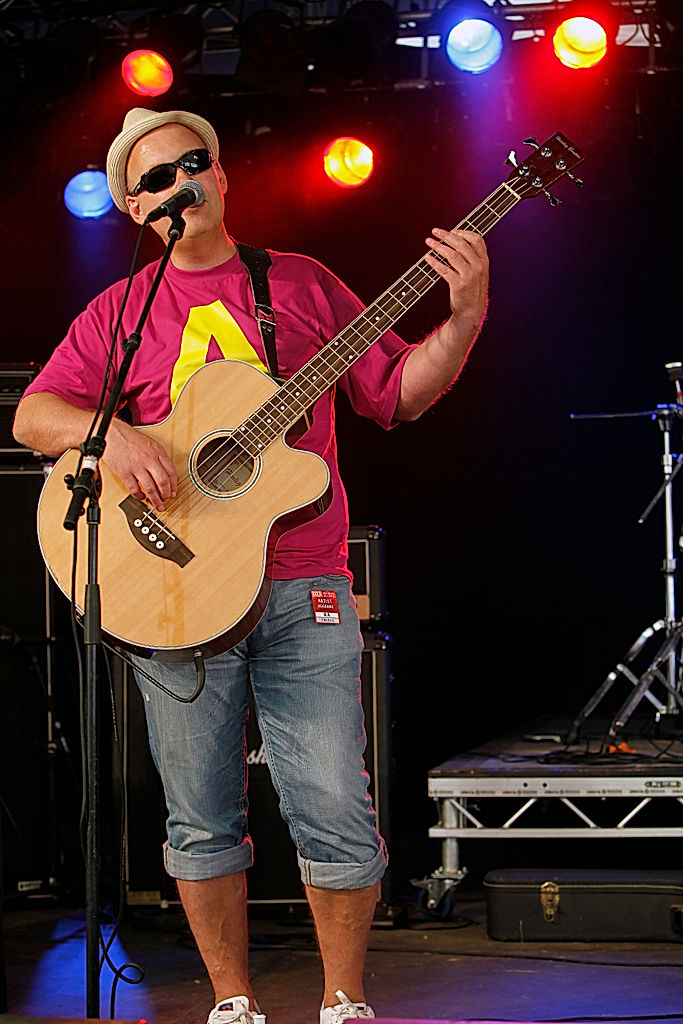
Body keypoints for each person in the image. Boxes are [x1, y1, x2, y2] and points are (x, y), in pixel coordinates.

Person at [13, 107, 489, 1024]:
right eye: (156, 177)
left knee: (332, 803)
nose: (179, 182)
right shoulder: (119, 311)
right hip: (171, 588)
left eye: (193, 163)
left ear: (223, 177)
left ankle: (344, 1001)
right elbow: (35, 416)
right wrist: (108, 438)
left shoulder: (302, 285)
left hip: (300, 582)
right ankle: (232, 1004)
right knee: (198, 814)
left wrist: (465, 313)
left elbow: (397, 395)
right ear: (132, 206)